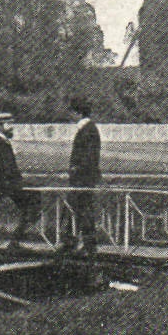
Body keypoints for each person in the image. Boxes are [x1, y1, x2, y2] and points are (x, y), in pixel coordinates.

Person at [0, 111, 40, 248]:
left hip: (9, 184)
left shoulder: (3, 143)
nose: (12, 127)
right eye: (8, 124)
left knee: (31, 204)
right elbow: (2, 170)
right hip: (5, 186)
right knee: (33, 201)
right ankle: (16, 239)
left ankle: (17, 238)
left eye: (11, 124)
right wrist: (20, 183)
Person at [60, 97, 101, 256]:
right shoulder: (87, 129)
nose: (69, 115)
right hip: (81, 178)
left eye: (71, 111)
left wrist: (75, 168)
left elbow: (89, 157)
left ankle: (88, 246)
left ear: (78, 113)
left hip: (83, 179)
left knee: (83, 211)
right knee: (75, 210)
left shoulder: (88, 130)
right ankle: (73, 242)